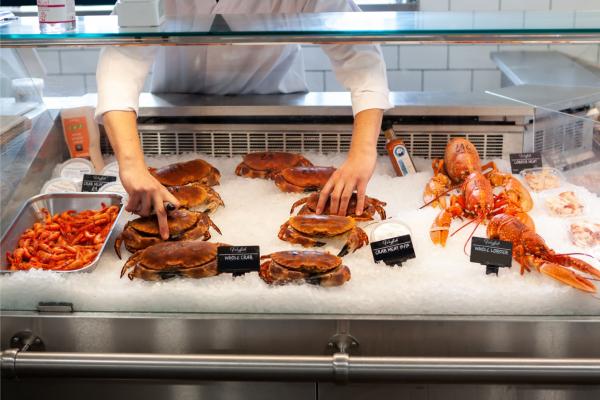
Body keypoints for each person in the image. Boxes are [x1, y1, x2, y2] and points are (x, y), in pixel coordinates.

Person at [96, 0, 391, 239]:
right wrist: (132, 165)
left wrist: (363, 152)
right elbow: (121, 60)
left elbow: (359, 53)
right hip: (180, 117)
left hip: (277, 119)